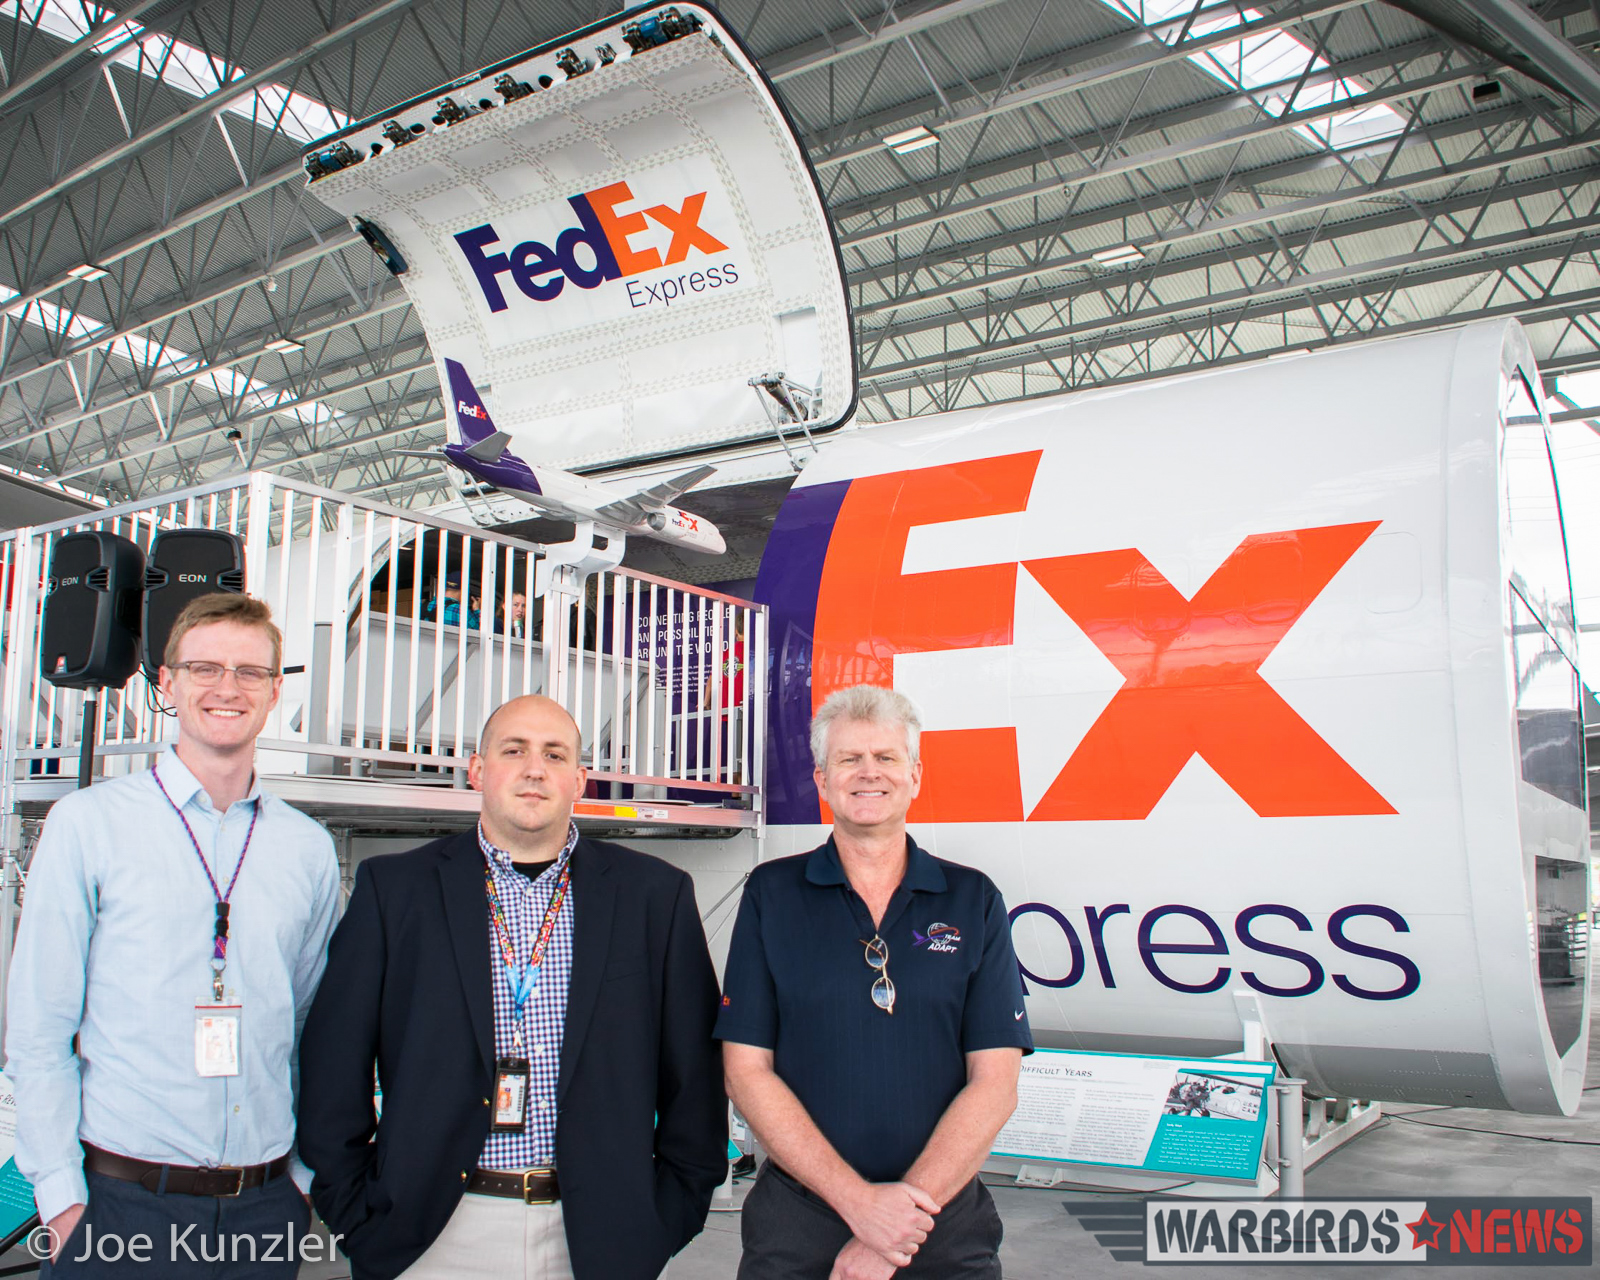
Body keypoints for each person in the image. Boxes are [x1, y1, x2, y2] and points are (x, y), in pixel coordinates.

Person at [297, 694, 726, 1280]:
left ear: (579, 780)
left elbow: (695, 1078)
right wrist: (358, 1216)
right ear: (478, 769)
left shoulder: (655, 896)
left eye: (555, 754)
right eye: (514, 750)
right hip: (432, 1236)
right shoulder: (394, 890)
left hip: (605, 1236)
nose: (534, 769)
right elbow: (335, 1062)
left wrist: (665, 1220)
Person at [6, 593, 341, 1277]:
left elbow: (314, 1028)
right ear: (168, 682)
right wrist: (62, 1198)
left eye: (250, 672)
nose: (227, 688)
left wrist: (302, 1179)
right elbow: (40, 1029)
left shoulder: (307, 848)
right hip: (119, 1205)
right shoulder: (88, 825)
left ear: (275, 691)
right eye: (204, 668)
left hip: (264, 1210)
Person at [718, 685, 1032, 1280]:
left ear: (915, 775)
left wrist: (894, 1227)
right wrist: (860, 1204)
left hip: (941, 1224)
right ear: (822, 779)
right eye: (849, 759)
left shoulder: (973, 899)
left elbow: (995, 1084)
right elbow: (746, 1071)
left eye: (886, 757)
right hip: (798, 1224)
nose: (869, 773)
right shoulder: (771, 895)